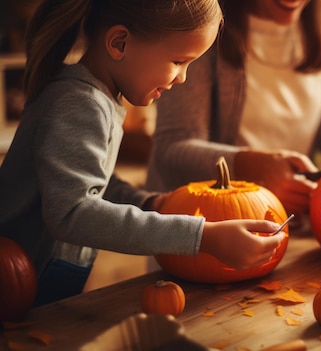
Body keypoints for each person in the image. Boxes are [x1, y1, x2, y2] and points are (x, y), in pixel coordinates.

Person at [0, 0, 286, 306]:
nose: (183, 78)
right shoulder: (78, 103)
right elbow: (72, 213)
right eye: (178, 61)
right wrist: (203, 237)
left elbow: (95, 184)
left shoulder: (98, 98)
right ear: (119, 43)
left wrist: (147, 202)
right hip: (13, 290)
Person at [145, 0, 321, 217]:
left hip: (285, 224)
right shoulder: (202, 21)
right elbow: (172, 151)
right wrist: (251, 166)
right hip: (203, 234)